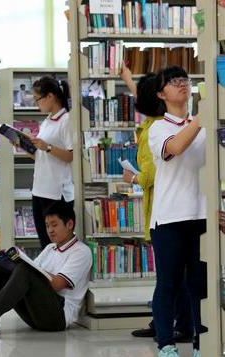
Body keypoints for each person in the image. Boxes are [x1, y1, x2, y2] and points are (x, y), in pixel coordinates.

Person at [119, 65, 193, 343]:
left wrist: (133, 176)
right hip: (168, 210)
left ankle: (175, 324)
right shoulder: (157, 121)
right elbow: (144, 93)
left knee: (171, 276)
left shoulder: (156, 128)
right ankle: (171, 322)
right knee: (175, 274)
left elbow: (150, 174)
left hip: (164, 210)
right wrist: (126, 77)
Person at [0, 201, 91, 340]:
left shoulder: (81, 252)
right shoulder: (50, 248)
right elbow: (29, 278)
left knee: (25, 270)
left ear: (69, 224)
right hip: (36, 313)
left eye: (54, 225)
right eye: (47, 226)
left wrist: (26, 266)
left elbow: (57, 284)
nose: (50, 230)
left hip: (57, 317)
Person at [146, 66, 206, 357]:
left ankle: (200, 343)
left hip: (201, 215)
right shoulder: (159, 128)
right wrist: (201, 118)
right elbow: (177, 147)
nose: (182, 85)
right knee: (168, 283)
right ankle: (166, 345)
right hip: (169, 218)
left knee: (199, 285)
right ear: (161, 93)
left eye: (185, 80)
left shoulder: (204, 125)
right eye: (173, 82)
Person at [29, 76, 75, 249]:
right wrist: (26, 146)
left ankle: (57, 275)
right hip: (40, 188)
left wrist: (47, 147)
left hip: (56, 192)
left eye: (37, 99)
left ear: (50, 97)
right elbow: (43, 157)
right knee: (45, 243)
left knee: (57, 243)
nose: (36, 104)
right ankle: (47, 276)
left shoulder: (67, 120)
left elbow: (72, 156)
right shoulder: (48, 120)